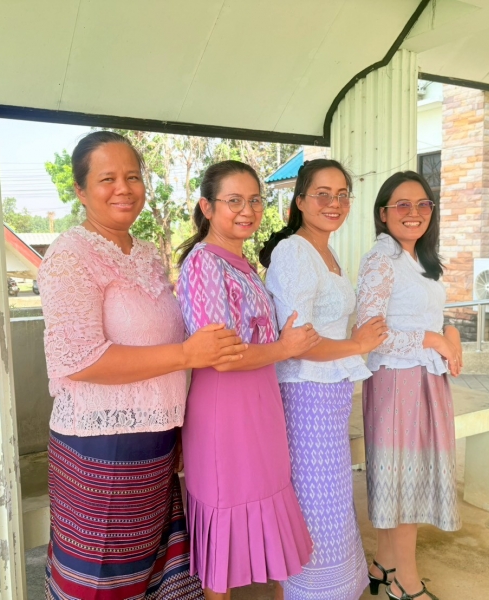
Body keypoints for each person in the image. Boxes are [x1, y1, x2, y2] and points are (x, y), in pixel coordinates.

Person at [38, 131, 246, 600]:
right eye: (107, 179)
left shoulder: (148, 253)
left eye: (132, 177)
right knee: (102, 579)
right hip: (101, 448)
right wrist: (187, 354)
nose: (124, 188)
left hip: (158, 441)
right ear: (80, 190)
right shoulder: (70, 256)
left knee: (148, 571)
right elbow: (79, 359)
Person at [176, 160, 319, 599]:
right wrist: (285, 348)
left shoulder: (239, 262)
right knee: (224, 519)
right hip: (225, 410)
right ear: (207, 207)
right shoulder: (204, 263)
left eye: (255, 200)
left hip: (261, 404)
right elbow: (221, 355)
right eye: (234, 200)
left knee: (267, 503)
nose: (248, 210)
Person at [261, 159, 388, 600]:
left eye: (342, 195)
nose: (334, 203)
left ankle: (332, 588)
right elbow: (298, 343)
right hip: (305, 393)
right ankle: (311, 591)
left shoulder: (326, 252)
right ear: (300, 201)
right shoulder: (295, 252)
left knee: (332, 499)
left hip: (329, 392)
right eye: (322, 194)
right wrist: (357, 344)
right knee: (317, 504)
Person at [356, 171, 463, 600]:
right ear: (383, 213)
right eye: (402, 204)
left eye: (423, 204)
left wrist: (449, 334)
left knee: (403, 478)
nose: (414, 212)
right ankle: (406, 581)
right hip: (398, 379)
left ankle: (384, 565)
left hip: (424, 378)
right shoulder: (381, 259)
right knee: (404, 483)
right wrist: (433, 340)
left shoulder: (419, 258)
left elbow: (429, 315)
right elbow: (371, 334)